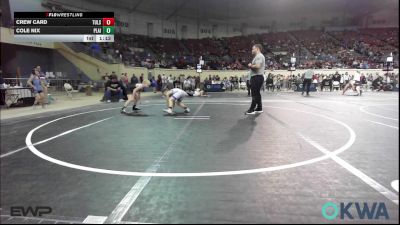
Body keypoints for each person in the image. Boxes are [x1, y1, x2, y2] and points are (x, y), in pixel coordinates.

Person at [245, 44, 265, 115]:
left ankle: (252, 109)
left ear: (257, 49)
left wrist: (250, 65)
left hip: (257, 77)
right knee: (257, 93)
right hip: (257, 77)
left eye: (253, 49)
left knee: (254, 94)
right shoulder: (258, 56)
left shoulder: (259, 56)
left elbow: (258, 66)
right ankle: (259, 108)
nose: (252, 50)